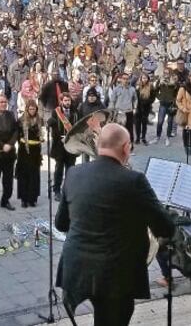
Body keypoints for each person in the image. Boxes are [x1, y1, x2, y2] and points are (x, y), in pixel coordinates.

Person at [55, 122, 175, 325]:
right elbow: (165, 228)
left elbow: (61, 224)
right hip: (115, 275)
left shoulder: (74, 174)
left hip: (77, 268)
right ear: (126, 147)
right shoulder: (134, 180)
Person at [47, 93, 78, 199]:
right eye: (65, 100)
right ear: (61, 101)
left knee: (70, 169)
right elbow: (54, 128)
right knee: (59, 169)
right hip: (60, 145)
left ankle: (68, 190)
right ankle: (57, 190)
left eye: (69, 100)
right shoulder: (56, 112)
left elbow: (77, 127)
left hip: (71, 144)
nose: (67, 102)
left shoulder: (75, 112)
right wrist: (60, 138)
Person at [16, 101, 44, 207]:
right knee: (23, 174)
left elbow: (41, 132)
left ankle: (33, 198)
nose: (32, 111)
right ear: (27, 109)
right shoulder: (21, 120)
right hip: (24, 150)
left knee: (34, 174)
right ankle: (24, 198)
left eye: (34, 109)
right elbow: (18, 135)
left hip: (36, 151)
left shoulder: (39, 120)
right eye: (30, 109)